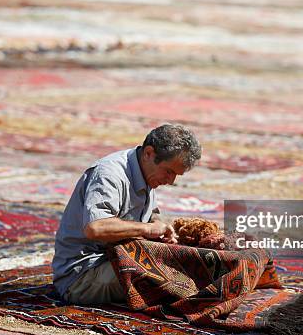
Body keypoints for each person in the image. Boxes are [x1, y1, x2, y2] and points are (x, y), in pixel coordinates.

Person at [52, 124, 202, 305]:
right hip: (83, 277)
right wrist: (147, 229)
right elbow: (95, 228)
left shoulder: (146, 170)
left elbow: (151, 215)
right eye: (169, 171)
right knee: (174, 280)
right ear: (149, 153)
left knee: (190, 262)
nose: (171, 181)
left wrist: (160, 228)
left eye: (176, 175)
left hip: (115, 260)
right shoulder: (109, 174)